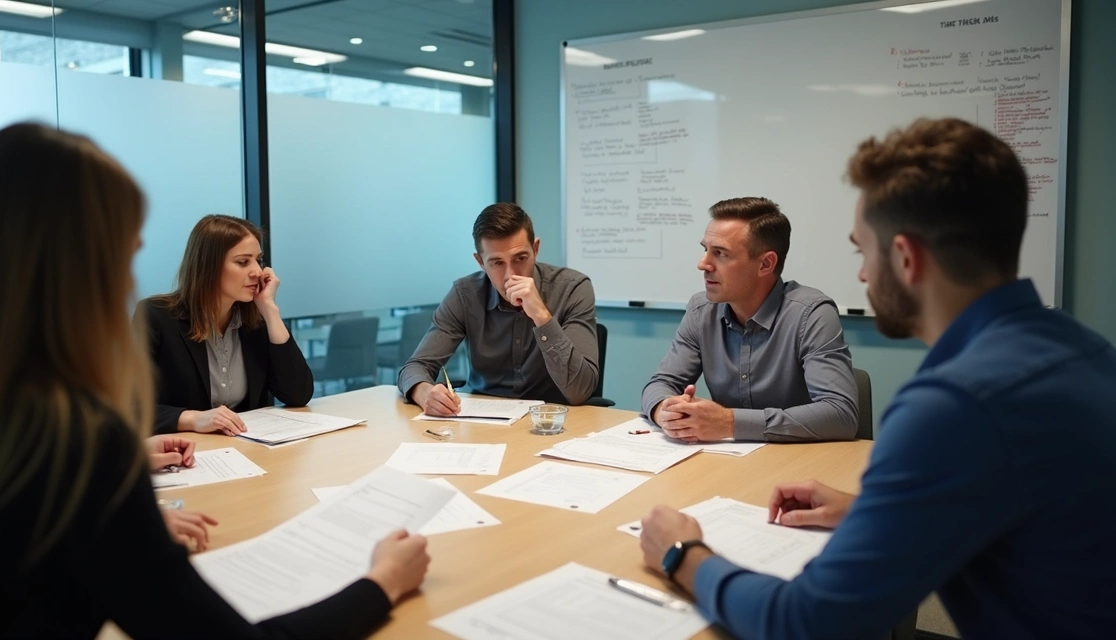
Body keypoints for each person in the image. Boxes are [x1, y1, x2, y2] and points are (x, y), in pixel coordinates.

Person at [0, 123, 429, 638]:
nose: (130, 278)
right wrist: (381, 582)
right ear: (78, 271)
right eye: (126, 255)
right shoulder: (78, 445)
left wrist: (130, 528)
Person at [639, 118, 1116, 638]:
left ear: (906, 258)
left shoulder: (952, 405)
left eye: (863, 251)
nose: (863, 275)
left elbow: (807, 622)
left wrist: (683, 554)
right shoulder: (1082, 349)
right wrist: (869, 510)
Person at [641, 197, 858, 442]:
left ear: (765, 264)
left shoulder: (811, 313)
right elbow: (661, 383)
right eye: (705, 250)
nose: (703, 264)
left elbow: (841, 415)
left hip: (799, 462)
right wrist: (665, 412)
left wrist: (729, 422)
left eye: (721, 253)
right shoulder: (701, 310)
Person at [398, 203, 599, 414]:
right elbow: (414, 368)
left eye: (520, 258)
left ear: (535, 249)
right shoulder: (465, 294)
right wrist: (425, 394)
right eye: (497, 263)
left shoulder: (572, 288)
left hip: (551, 424)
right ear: (480, 262)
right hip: (482, 424)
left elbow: (580, 391)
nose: (510, 275)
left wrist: (541, 316)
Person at [140, 215, 313, 436]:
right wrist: (193, 418)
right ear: (208, 266)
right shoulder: (155, 316)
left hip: (249, 449)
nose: (258, 272)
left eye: (258, 261)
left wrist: (270, 310)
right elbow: (126, 406)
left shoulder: (256, 321)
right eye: (243, 262)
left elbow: (298, 394)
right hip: (188, 453)